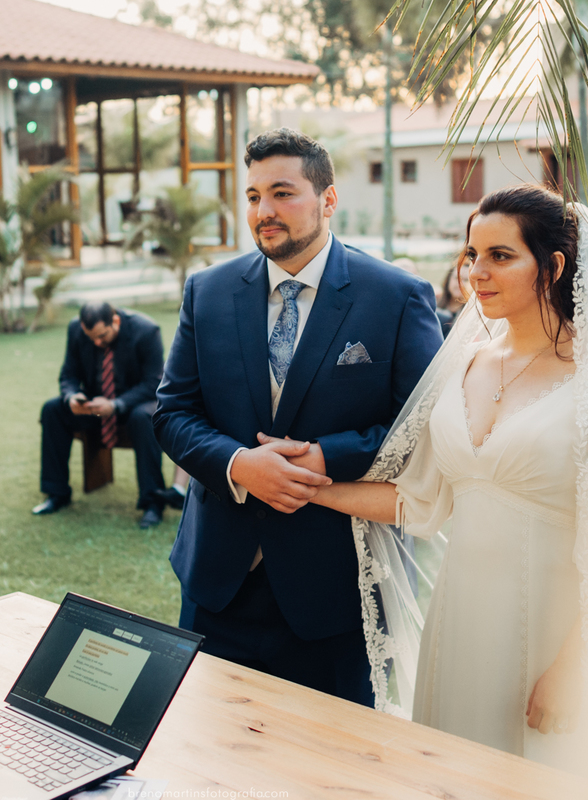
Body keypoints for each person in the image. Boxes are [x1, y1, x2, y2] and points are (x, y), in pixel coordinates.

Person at [289, 183, 588, 767]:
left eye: (500, 256)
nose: (476, 273)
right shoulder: (463, 362)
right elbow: (419, 502)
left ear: (554, 266)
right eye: (472, 255)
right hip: (462, 619)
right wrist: (306, 488)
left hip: (555, 627)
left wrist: (575, 666)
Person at [153, 128, 443, 705]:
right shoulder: (206, 292)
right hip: (218, 583)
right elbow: (172, 412)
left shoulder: (397, 296)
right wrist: (238, 464)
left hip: (335, 589)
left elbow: (424, 430)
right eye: (254, 196)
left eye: (283, 193)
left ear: (328, 200)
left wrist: (325, 457)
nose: (264, 211)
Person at [34, 301, 169, 529]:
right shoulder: (76, 328)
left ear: (115, 321)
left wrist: (116, 404)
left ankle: (152, 502)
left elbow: (153, 383)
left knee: (142, 418)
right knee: (53, 410)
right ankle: (56, 494)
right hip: (94, 405)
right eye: (91, 337)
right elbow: (68, 374)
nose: (97, 342)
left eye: (102, 336)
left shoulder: (147, 330)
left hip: (134, 404)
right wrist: (72, 397)